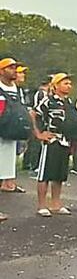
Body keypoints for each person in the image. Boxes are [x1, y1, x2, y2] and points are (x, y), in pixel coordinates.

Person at [33, 73, 77, 217]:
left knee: (59, 174)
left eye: (70, 83)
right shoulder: (48, 101)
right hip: (51, 140)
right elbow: (33, 114)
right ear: (56, 85)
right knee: (45, 173)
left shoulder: (69, 102)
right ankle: (41, 205)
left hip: (65, 140)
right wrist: (39, 133)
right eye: (65, 83)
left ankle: (56, 204)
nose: (68, 86)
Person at [0, 56, 26, 220]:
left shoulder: (17, 89)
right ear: (1, 71)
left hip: (10, 135)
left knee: (3, 172)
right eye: (10, 68)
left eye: (15, 67)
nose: (14, 71)